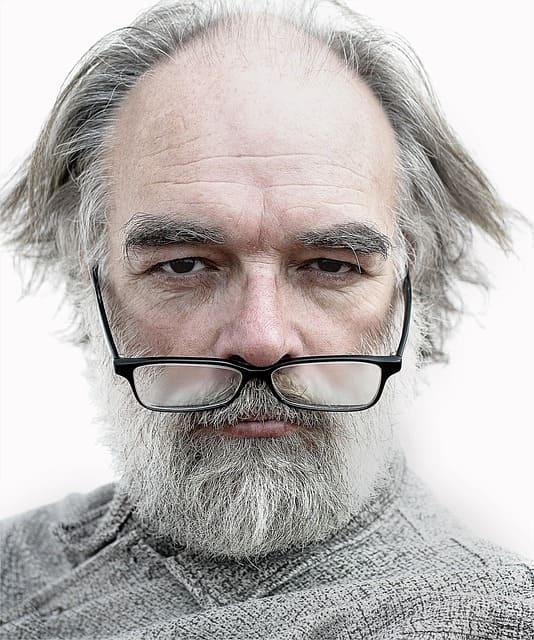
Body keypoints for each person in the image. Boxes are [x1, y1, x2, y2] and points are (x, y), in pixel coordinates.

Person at [0, 1, 532, 638]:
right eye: (183, 265)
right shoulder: (16, 558)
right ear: (89, 286)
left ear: (416, 293)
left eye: (331, 266)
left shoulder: (491, 617)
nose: (261, 339)